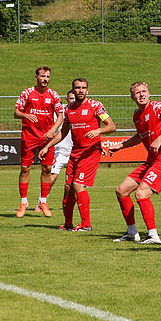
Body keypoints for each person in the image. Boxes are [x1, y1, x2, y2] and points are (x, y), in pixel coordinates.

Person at [108, 82, 161, 244]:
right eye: (137, 93)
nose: (141, 95)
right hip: (151, 161)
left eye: (144, 91)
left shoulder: (159, 107)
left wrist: (160, 138)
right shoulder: (137, 115)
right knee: (121, 190)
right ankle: (132, 232)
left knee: (141, 193)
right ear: (132, 97)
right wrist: (120, 146)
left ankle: (153, 236)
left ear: (149, 93)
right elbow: (139, 136)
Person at [40, 78, 116, 232]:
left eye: (83, 88)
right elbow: (63, 131)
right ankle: (68, 224)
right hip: (75, 152)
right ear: (73, 90)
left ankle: (86, 225)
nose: (81, 90)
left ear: (87, 90)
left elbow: (112, 126)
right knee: (68, 187)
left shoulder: (96, 106)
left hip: (90, 151)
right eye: (78, 88)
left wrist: (98, 131)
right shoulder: (68, 109)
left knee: (78, 184)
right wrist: (47, 146)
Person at [14, 66, 64, 218]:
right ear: (36, 77)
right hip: (29, 137)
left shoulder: (53, 95)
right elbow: (16, 112)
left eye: (48, 77)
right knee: (25, 169)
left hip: (46, 139)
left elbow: (60, 115)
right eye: (43, 76)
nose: (45, 79)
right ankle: (23, 202)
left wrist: (53, 130)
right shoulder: (27, 93)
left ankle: (43, 201)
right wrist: (25, 115)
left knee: (47, 169)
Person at [47, 89, 76, 184]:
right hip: (59, 151)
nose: (73, 100)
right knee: (51, 178)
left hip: (75, 151)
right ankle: (43, 198)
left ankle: (70, 199)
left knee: (72, 184)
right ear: (66, 99)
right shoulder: (59, 113)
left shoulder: (81, 111)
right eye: (71, 98)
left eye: (75, 98)